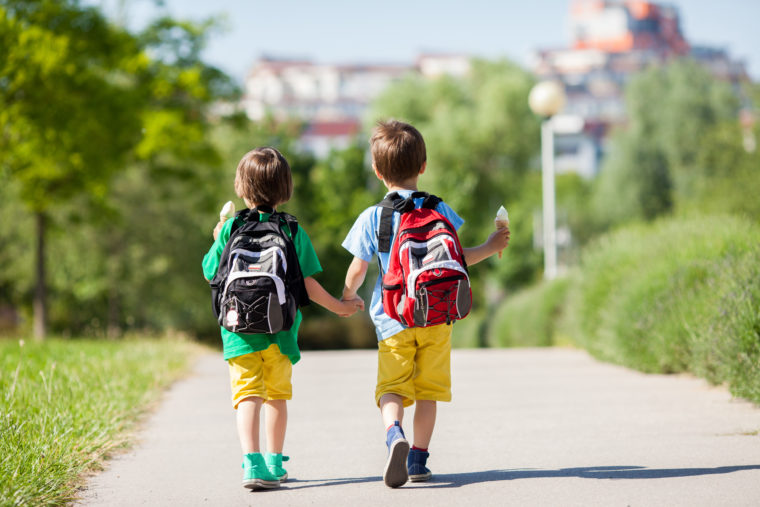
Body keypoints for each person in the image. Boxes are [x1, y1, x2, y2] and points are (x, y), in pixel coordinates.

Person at [341, 120, 509, 488]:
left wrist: (349, 295)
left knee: (392, 388)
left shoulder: (374, 217)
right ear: (423, 166)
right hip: (437, 316)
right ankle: (418, 459)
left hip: (393, 319)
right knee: (429, 392)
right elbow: (457, 258)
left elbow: (357, 268)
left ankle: (393, 434)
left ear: (377, 171)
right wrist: (492, 246)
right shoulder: (440, 209)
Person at [203, 147, 363, 491]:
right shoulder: (291, 230)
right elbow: (307, 283)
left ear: (241, 187)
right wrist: (339, 306)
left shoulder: (231, 227)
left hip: (238, 332)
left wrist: (218, 238)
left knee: (247, 396)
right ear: (285, 188)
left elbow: (209, 273)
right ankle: (274, 464)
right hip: (281, 332)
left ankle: (252, 463)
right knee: (276, 396)